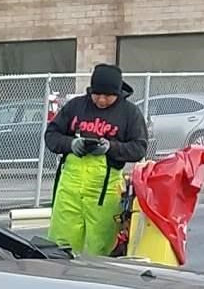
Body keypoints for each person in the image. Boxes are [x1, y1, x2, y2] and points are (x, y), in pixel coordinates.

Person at [42, 62, 149, 257]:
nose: (101, 99)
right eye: (97, 94)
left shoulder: (129, 113)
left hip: (104, 194)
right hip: (69, 191)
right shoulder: (76, 106)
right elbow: (51, 135)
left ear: (118, 92)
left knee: (100, 248)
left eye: (107, 96)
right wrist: (71, 144)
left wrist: (111, 147)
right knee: (60, 247)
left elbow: (139, 147)